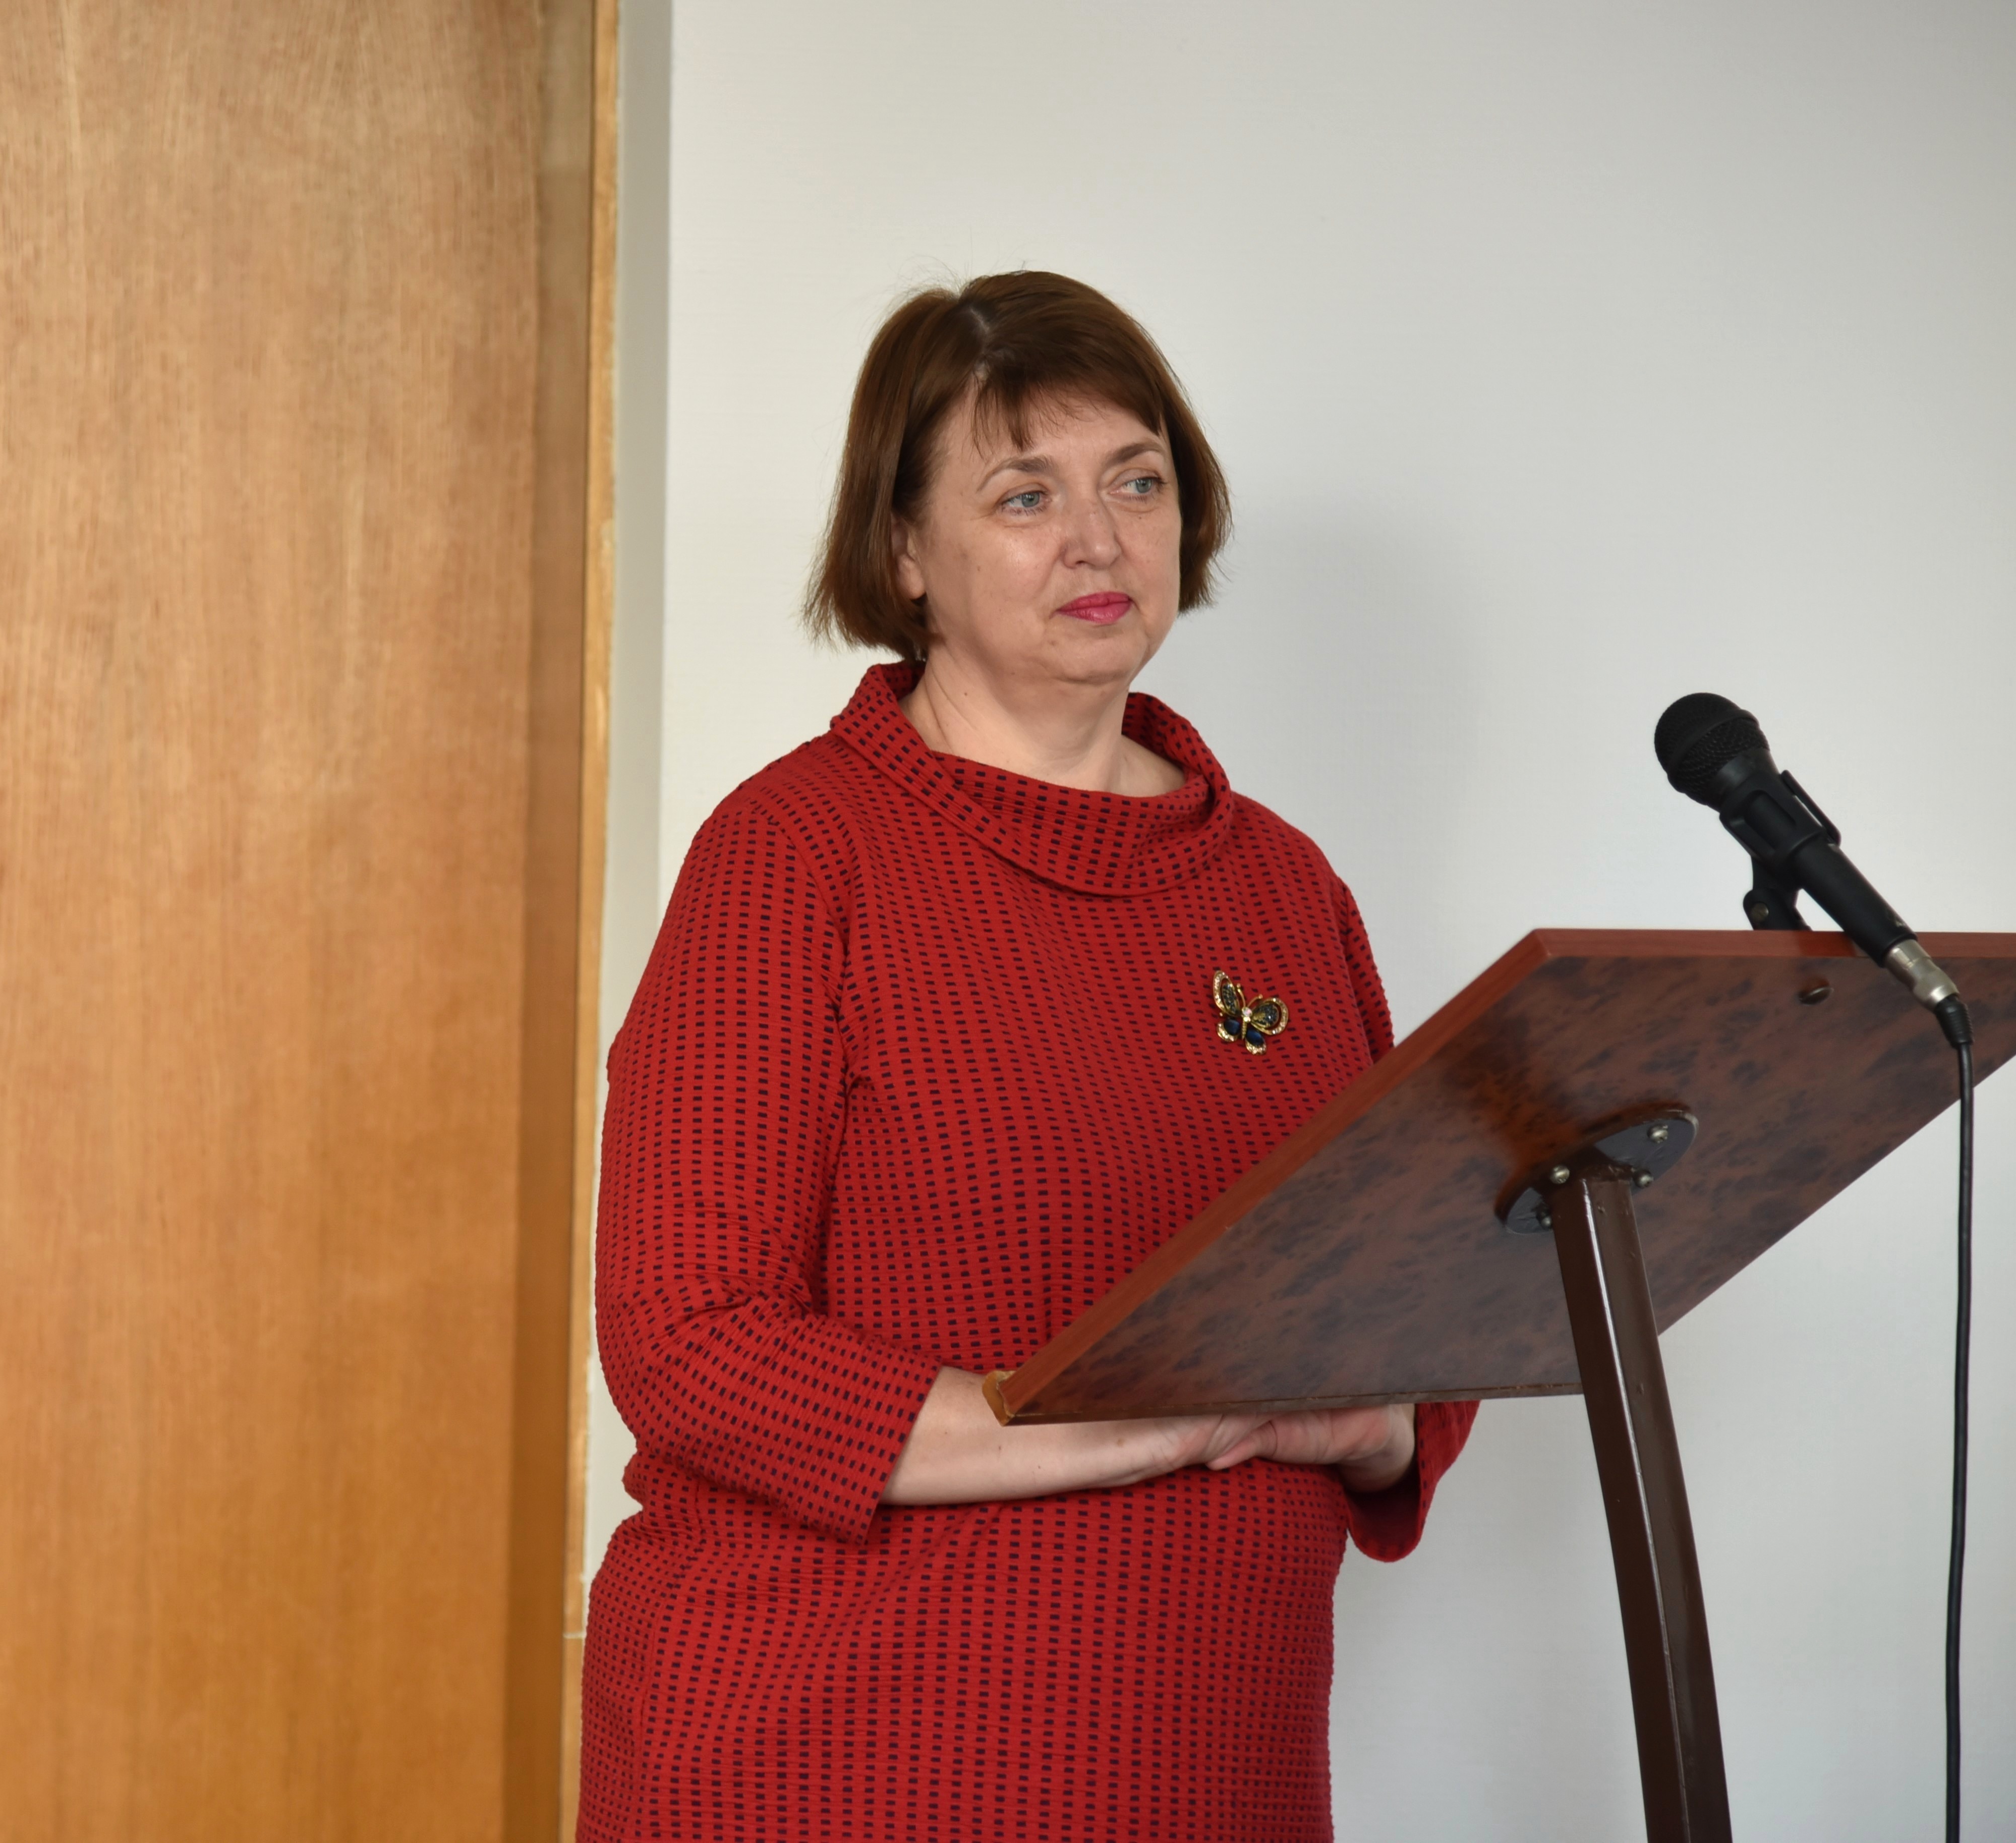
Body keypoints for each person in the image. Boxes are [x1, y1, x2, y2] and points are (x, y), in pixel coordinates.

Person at [581, 270, 1478, 1840]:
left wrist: (1371, 1420)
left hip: (1213, 1766)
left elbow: (1402, 1285)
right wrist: (1110, 1419)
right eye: (1024, 495)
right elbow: (688, 1341)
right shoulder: (796, 856)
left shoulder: (1283, 888)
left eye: (1137, 482)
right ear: (903, 552)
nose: (1098, 539)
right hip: (835, 1765)